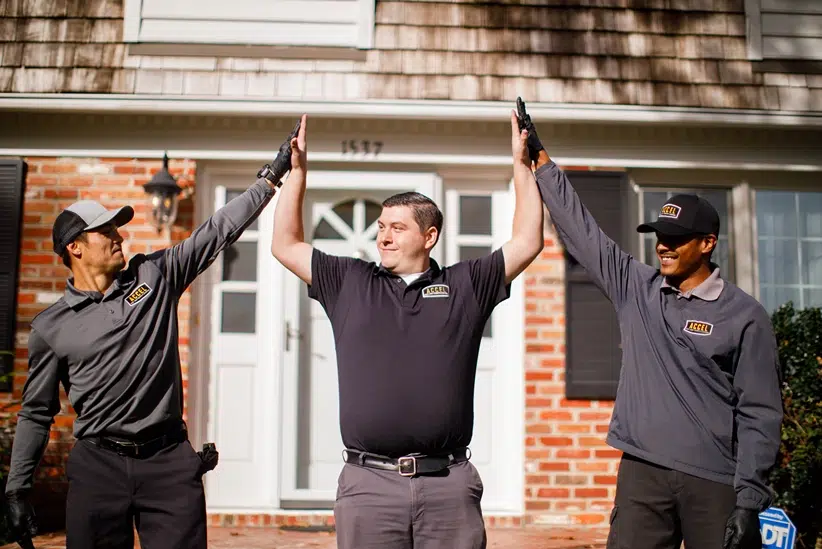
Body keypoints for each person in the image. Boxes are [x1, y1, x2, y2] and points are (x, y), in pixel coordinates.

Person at [3, 122, 300, 549]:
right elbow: (35, 413)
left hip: (168, 463)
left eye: (116, 229)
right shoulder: (51, 326)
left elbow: (215, 232)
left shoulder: (153, 276)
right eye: (105, 232)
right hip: (97, 467)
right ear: (75, 248)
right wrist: (17, 490)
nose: (118, 236)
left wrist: (271, 176)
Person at [515, 100, 783, 549]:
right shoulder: (636, 288)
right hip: (642, 475)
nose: (663, 247)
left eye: (676, 240)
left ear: (708, 243)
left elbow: (761, 412)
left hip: (714, 482)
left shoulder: (744, 315)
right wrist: (542, 162)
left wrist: (749, 498)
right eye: (660, 237)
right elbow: (584, 235)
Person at [270, 112, 544, 549]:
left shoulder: (464, 286)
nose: (383, 237)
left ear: (429, 235)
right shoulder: (349, 281)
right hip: (368, 485)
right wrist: (296, 173)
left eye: (397, 228)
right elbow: (285, 244)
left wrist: (520, 165)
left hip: (447, 486)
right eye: (380, 227)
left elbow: (528, 240)